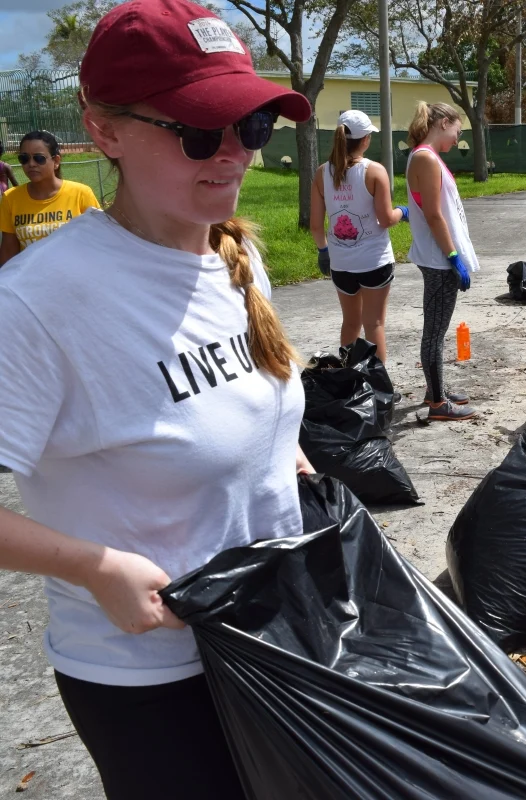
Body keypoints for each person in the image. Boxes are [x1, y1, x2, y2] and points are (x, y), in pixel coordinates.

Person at [0, 1, 315, 797]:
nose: (234, 156)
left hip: (278, 635)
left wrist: (285, 457)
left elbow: (234, 413)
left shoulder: (233, 256)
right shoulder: (37, 303)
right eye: (199, 133)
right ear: (104, 131)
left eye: (250, 128)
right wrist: (96, 566)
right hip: (153, 681)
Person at [310, 110, 405, 361]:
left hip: (341, 263)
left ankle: (351, 385)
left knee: (350, 324)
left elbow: (316, 226)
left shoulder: (322, 173)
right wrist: (403, 212)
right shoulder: (375, 171)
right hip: (374, 261)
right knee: (374, 324)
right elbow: (385, 219)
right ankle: (378, 389)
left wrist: (323, 251)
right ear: (365, 139)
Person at [405, 101, 480, 421]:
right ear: (444, 123)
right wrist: (452, 257)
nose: (457, 140)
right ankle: (437, 404)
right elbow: (434, 215)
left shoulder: (427, 157)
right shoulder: (425, 157)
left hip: (439, 257)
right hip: (438, 259)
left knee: (437, 328)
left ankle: (435, 389)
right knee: (434, 333)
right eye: (457, 131)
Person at [0, 131, 100, 266]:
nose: (31, 164)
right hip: (30, 282)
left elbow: (99, 243)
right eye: (24, 158)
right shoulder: (10, 198)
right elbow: (8, 252)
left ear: (56, 161)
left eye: (39, 158)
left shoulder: (81, 194)